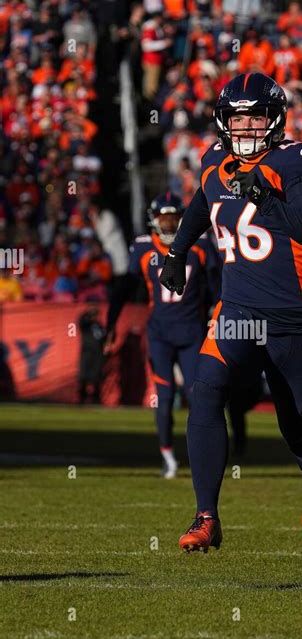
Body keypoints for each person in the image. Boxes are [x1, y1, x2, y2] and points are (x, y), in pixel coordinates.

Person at [160, 72, 302, 551]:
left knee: (299, 429)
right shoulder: (215, 160)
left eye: (255, 116)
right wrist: (178, 251)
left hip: (295, 318)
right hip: (238, 307)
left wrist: (269, 197)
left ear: (274, 118)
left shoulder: (297, 159)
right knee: (206, 388)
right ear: (223, 121)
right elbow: (202, 202)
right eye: (237, 118)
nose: (246, 127)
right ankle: (205, 517)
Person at [105, 191, 220, 478]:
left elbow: (219, 284)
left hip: (193, 331)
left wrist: (220, 314)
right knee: (165, 397)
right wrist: (110, 323)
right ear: (154, 220)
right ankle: (168, 457)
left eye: (173, 218)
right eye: (163, 218)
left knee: (200, 399)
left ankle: (202, 457)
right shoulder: (144, 249)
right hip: (161, 333)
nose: (168, 224)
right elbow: (124, 289)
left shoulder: (201, 246)